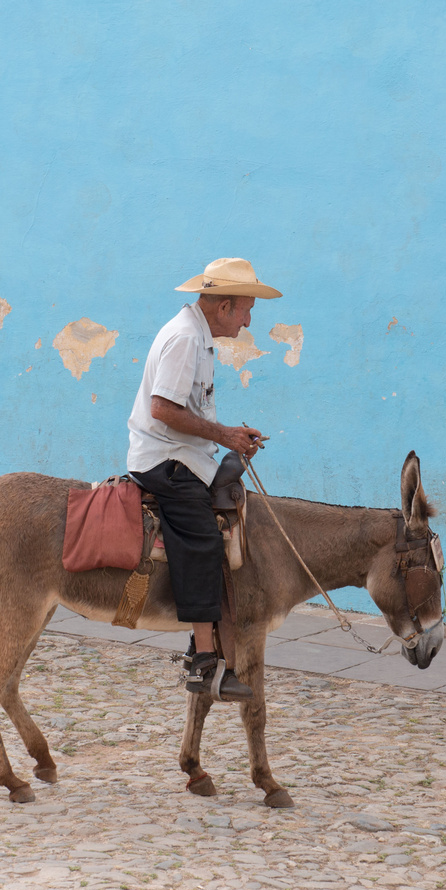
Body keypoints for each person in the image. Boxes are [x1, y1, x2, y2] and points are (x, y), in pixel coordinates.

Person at [128, 257, 278, 701]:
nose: (249, 320)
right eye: (247, 310)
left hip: (189, 455)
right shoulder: (184, 339)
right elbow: (163, 409)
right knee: (203, 542)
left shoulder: (198, 337)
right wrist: (225, 435)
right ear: (225, 306)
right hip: (164, 461)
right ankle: (203, 661)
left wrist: (224, 437)